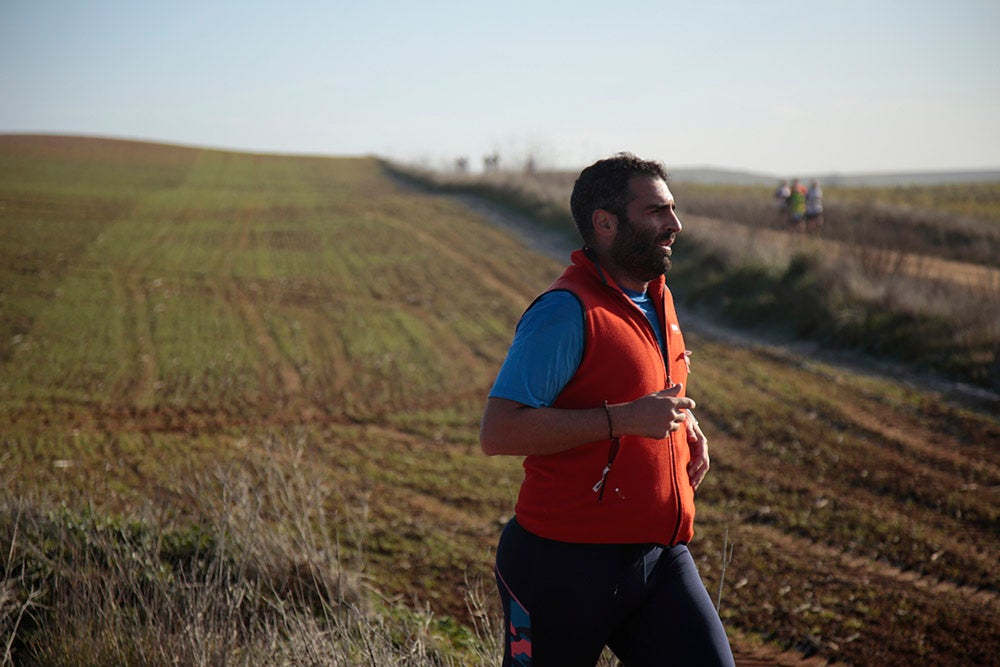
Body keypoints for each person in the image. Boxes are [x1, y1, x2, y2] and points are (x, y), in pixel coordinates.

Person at [480, 153, 735, 666]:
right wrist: (622, 420)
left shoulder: (657, 297)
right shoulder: (564, 311)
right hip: (559, 564)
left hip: (657, 556)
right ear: (605, 223)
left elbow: (650, 385)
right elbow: (500, 431)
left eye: (673, 209)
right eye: (657, 211)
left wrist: (689, 423)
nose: (675, 224)